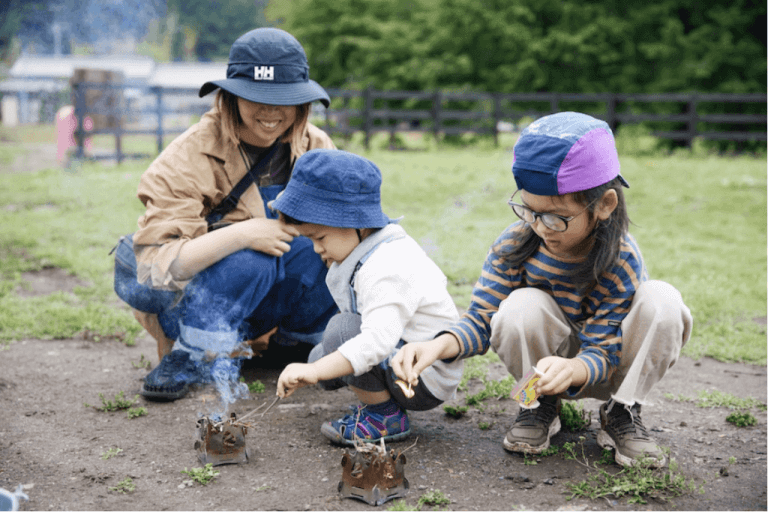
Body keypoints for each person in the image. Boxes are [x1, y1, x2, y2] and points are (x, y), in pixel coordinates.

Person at [392, 112, 693, 468]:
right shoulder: (515, 244)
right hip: (543, 371)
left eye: (556, 216)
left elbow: (606, 347)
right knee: (521, 304)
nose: (540, 227)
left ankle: (622, 412)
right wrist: (435, 345)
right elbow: (483, 319)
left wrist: (577, 368)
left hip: (606, 364)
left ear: (604, 205)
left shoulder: (621, 256)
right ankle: (537, 405)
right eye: (530, 211)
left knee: (664, 301)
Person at [119, 27, 339, 402]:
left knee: (331, 247)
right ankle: (195, 353)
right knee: (252, 256)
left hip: (272, 297)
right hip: (194, 302)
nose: (271, 112)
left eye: (284, 98)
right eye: (257, 97)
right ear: (231, 97)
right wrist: (243, 234)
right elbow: (159, 266)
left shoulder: (316, 146)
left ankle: (297, 344)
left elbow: (348, 230)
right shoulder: (185, 157)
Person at [270, 149, 464, 446]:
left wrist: (314, 371)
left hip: (422, 375)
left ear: (357, 225)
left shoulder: (386, 266)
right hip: (404, 357)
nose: (316, 249)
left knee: (342, 331)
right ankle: (377, 399)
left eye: (320, 238)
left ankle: (384, 416)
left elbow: (375, 342)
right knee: (323, 355)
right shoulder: (368, 248)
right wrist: (319, 367)